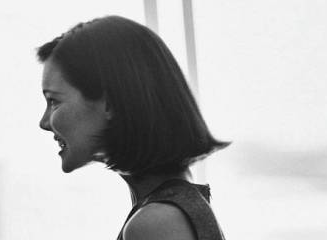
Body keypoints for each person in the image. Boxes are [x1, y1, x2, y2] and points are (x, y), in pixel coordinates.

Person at [37, 16, 228, 240]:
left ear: (110, 103)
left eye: (54, 101)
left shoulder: (156, 223)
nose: (44, 122)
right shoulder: (173, 208)